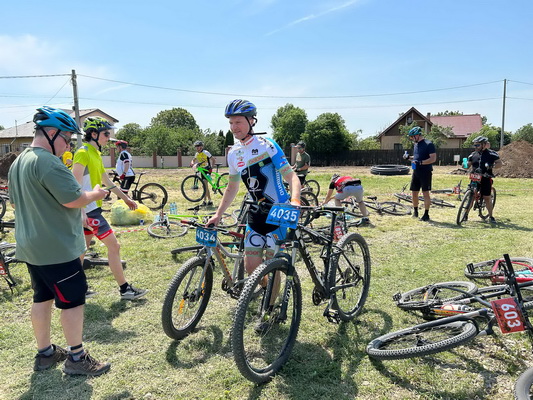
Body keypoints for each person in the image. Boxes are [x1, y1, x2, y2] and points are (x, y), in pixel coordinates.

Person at [8, 106, 111, 375]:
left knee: (42, 298)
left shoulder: (19, 162)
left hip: (31, 246)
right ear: (51, 133)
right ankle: (77, 358)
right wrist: (96, 193)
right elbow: (74, 199)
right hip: (57, 248)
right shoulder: (49, 163)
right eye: (66, 138)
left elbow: (19, 203)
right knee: (73, 301)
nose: (68, 146)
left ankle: (45, 353)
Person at [206, 99, 301, 281]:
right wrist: (218, 214)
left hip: (278, 212)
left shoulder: (267, 145)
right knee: (251, 268)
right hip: (256, 213)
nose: (234, 127)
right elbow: (232, 187)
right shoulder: (233, 153)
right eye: (231, 123)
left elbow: (292, 177)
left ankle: (271, 299)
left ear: (251, 121)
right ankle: (261, 292)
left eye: (238, 122)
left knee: (273, 268)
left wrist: (295, 201)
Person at [72, 117, 147, 300]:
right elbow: (75, 184)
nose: (109, 138)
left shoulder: (95, 154)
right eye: (106, 134)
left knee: (82, 250)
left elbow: (107, 182)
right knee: (114, 246)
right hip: (88, 211)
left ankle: (76, 289)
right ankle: (125, 289)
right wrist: (81, 212)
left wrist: (126, 199)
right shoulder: (82, 152)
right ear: (94, 134)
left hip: (90, 210)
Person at [403, 126, 437, 221]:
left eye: (412, 137)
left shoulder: (429, 144)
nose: (411, 139)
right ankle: (415, 211)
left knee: (425, 193)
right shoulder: (416, 144)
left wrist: (421, 163)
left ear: (417, 135)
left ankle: (426, 214)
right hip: (416, 171)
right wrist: (408, 157)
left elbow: (433, 158)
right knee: (414, 193)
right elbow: (416, 157)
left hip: (425, 172)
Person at [467, 135, 502, 223]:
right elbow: (468, 164)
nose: (475, 147)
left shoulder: (492, 154)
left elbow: (499, 164)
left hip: (486, 177)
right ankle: (465, 214)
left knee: (487, 197)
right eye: (474, 145)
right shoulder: (473, 154)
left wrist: (492, 166)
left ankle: (491, 216)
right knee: (471, 196)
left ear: (484, 145)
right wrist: (465, 165)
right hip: (475, 178)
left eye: (477, 145)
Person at [190, 140, 216, 206]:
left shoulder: (206, 152)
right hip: (201, 170)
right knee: (205, 186)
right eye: (196, 146)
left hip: (207, 169)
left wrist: (211, 167)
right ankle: (209, 201)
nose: (197, 148)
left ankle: (205, 201)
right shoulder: (197, 154)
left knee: (204, 185)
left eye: (198, 146)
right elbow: (193, 160)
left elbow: (213, 160)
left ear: (201, 147)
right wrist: (192, 163)